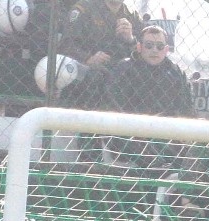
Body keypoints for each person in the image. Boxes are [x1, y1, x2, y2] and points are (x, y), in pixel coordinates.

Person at [103, 25, 195, 169]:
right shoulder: (123, 70)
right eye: (149, 45)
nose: (154, 50)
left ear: (166, 50)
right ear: (139, 47)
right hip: (130, 134)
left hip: (166, 134)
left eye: (159, 46)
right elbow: (114, 109)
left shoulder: (176, 73)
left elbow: (187, 110)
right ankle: (160, 171)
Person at [58, 0, 143, 108]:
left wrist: (130, 39)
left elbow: (146, 50)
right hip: (87, 72)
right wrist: (88, 58)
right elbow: (66, 45)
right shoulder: (84, 8)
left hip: (121, 71)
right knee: (94, 76)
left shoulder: (132, 15)